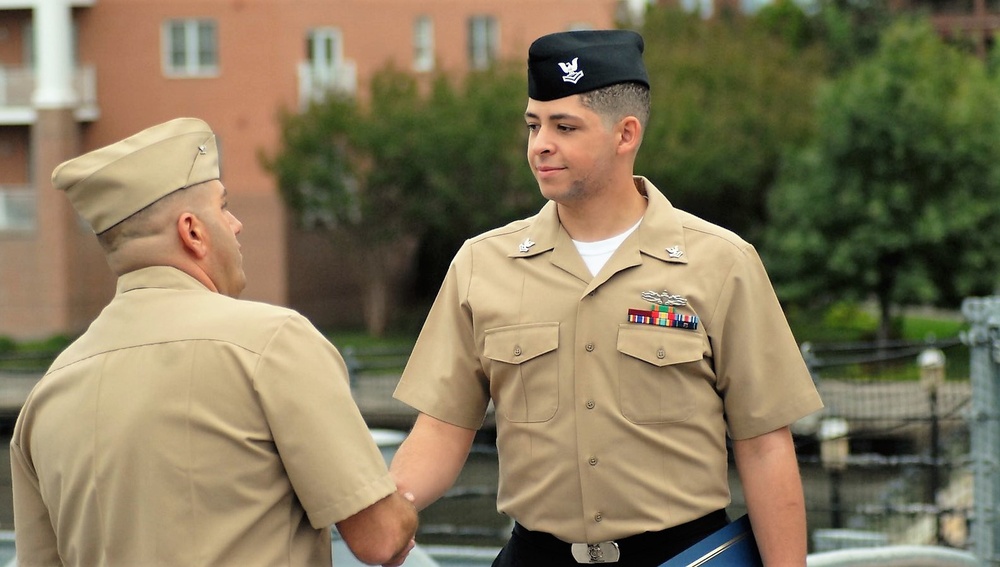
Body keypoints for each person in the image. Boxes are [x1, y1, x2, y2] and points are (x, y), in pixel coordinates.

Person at [389, 30, 824, 566]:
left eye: (564, 126)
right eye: (533, 124)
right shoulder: (482, 265)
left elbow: (764, 446)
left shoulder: (721, 263)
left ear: (625, 134)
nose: (540, 143)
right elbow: (441, 429)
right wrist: (387, 510)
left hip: (683, 556)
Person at [10, 117, 418, 567]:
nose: (237, 224)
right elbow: (380, 538)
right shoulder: (272, 343)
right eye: (224, 207)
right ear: (193, 232)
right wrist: (402, 509)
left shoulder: (45, 397)